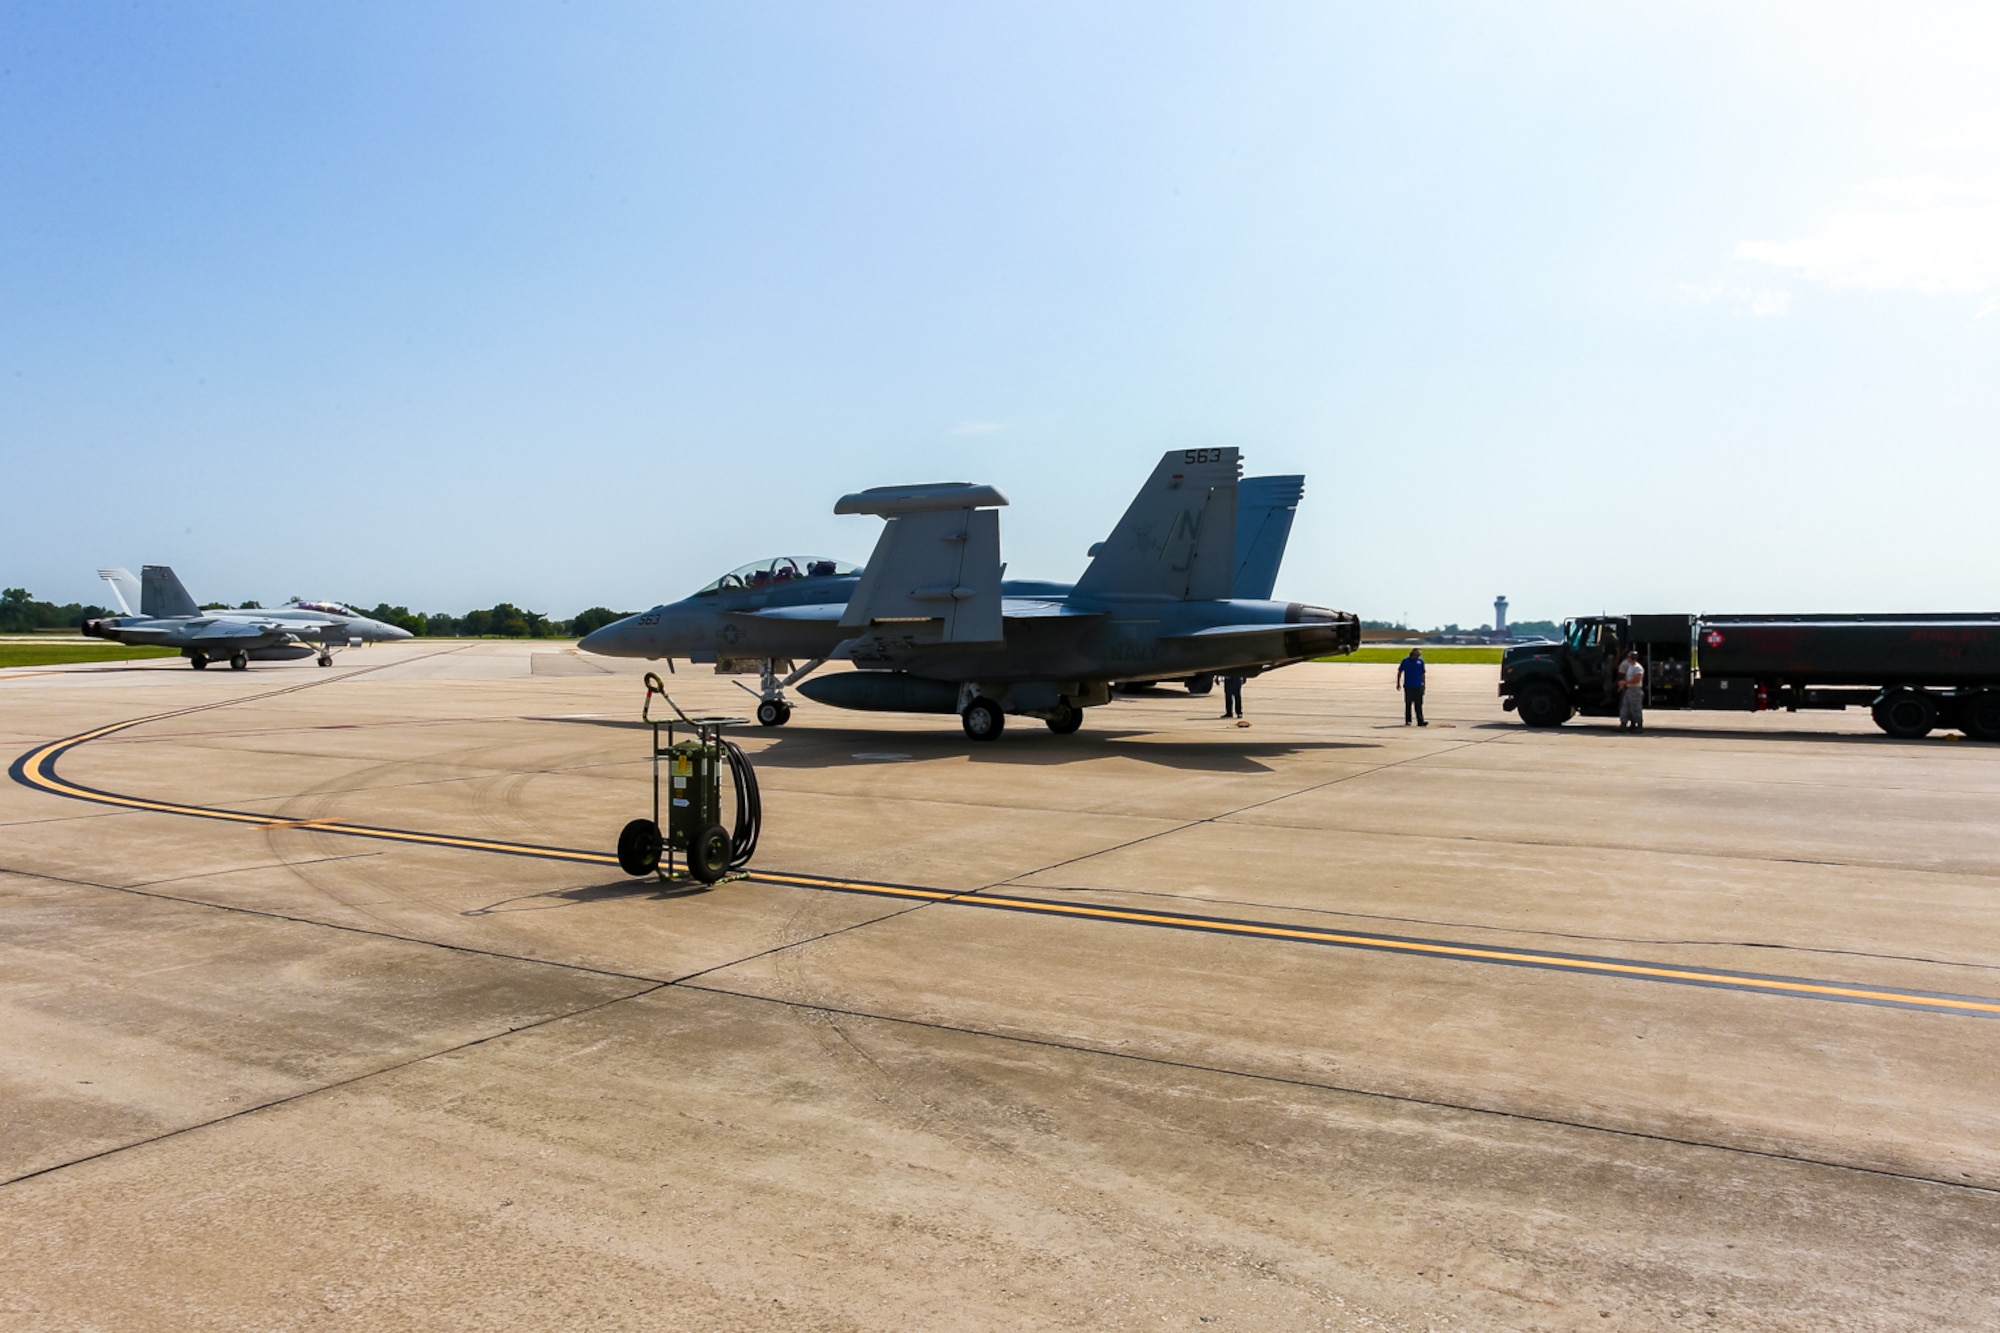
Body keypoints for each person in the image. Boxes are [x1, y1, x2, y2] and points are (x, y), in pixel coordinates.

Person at [1395, 648, 1427, 726]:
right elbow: (1400, 672)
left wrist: (1424, 684)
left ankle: (1420, 721)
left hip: (1418, 685)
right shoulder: (1406, 661)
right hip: (1409, 686)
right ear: (1412, 654)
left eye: (1419, 655)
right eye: (1416, 655)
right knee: (1408, 704)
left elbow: (1423, 673)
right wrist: (1398, 683)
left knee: (1418, 704)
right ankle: (1408, 720)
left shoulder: (1420, 661)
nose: (1417, 657)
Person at [1617, 649, 1646, 732]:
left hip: (1635, 690)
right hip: (1629, 689)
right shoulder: (1630, 666)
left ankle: (1638, 725)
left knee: (1635, 708)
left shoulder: (1638, 668)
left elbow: (1637, 679)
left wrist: (1626, 682)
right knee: (1625, 707)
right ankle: (1624, 724)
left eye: (1629, 657)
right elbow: (1628, 677)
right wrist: (1623, 684)